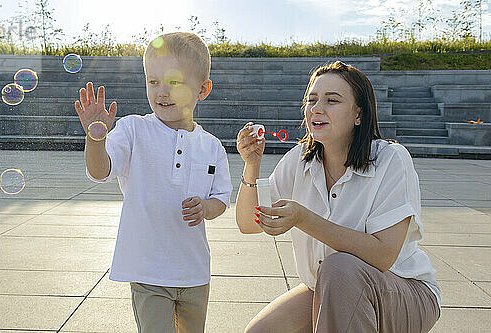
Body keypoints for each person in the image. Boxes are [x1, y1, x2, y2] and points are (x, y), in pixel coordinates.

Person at [235, 61, 441, 332]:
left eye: (332, 100)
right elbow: (248, 224)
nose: (317, 108)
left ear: (358, 114)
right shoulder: (299, 159)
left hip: (403, 291)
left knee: (340, 268)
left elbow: (382, 256)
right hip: (327, 286)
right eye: (312, 100)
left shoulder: (391, 159)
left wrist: (303, 217)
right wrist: (251, 165)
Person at [74, 32, 232, 333]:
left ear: (203, 89)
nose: (161, 92)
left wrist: (206, 208)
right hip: (149, 272)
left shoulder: (211, 146)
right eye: (153, 81)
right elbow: (100, 171)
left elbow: (221, 198)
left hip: (195, 272)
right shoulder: (133, 130)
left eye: (174, 82)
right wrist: (96, 139)